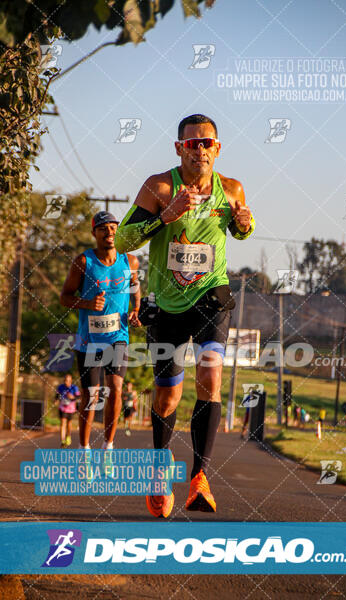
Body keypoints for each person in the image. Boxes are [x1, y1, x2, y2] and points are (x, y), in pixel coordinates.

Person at [115, 113, 255, 517]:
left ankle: (200, 478)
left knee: (211, 375)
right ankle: (160, 469)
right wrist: (165, 217)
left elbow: (243, 228)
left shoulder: (231, 189)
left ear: (218, 147)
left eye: (206, 143)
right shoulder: (158, 187)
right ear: (179, 148)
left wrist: (245, 223)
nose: (200, 150)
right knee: (169, 393)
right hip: (166, 303)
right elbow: (124, 239)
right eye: (191, 144)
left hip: (211, 295)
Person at [60, 211, 141, 451]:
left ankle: (108, 445)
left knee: (116, 388)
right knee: (90, 397)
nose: (110, 233)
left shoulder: (130, 261)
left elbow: (135, 286)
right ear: (94, 233)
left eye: (114, 228)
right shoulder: (83, 262)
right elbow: (64, 297)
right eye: (104, 229)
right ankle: (84, 449)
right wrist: (87, 303)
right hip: (89, 340)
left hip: (118, 337)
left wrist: (136, 308)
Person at [55, 373, 80, 447]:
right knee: (63, 423)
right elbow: (57, 395)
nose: (66, 382)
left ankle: (68, 436)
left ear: (71, 381)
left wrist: (73, 397)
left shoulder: (74, 388)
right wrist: (56, 400)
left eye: (68, 380)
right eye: (65, 380)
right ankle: (62, 441)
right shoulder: (60, 387)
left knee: (69, 424)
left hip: (71, 409)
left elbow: (78, 397)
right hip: (62, 408)